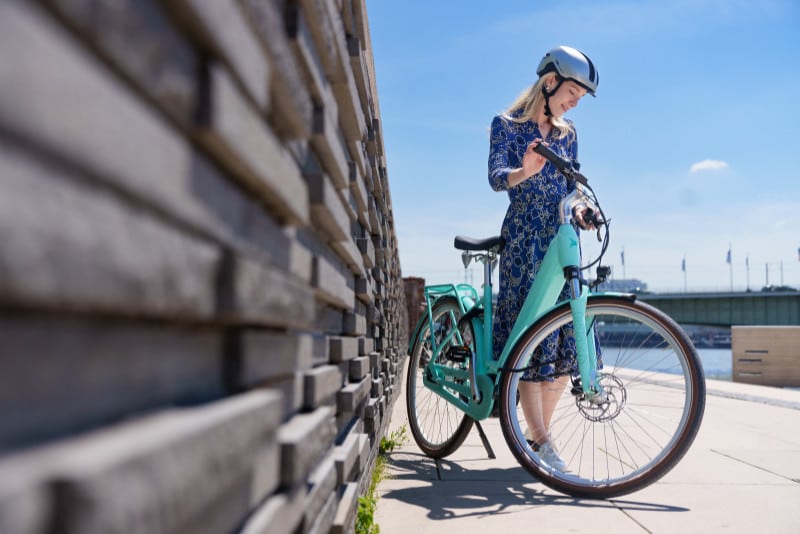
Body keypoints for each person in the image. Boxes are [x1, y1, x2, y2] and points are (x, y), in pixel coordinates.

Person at [488, 45, 599, 471]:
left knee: (563, 343)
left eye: (580, 98)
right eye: (572, 92)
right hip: (524, 243)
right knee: (531, 344)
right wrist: (527, 171)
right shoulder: (507, 126)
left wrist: (581, 209)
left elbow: (572, 187)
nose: (574, 103)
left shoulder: (568, 134)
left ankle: (539, 439)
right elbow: (498, 178)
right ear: (549, 81)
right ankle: (541, 440)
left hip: (561, 240)